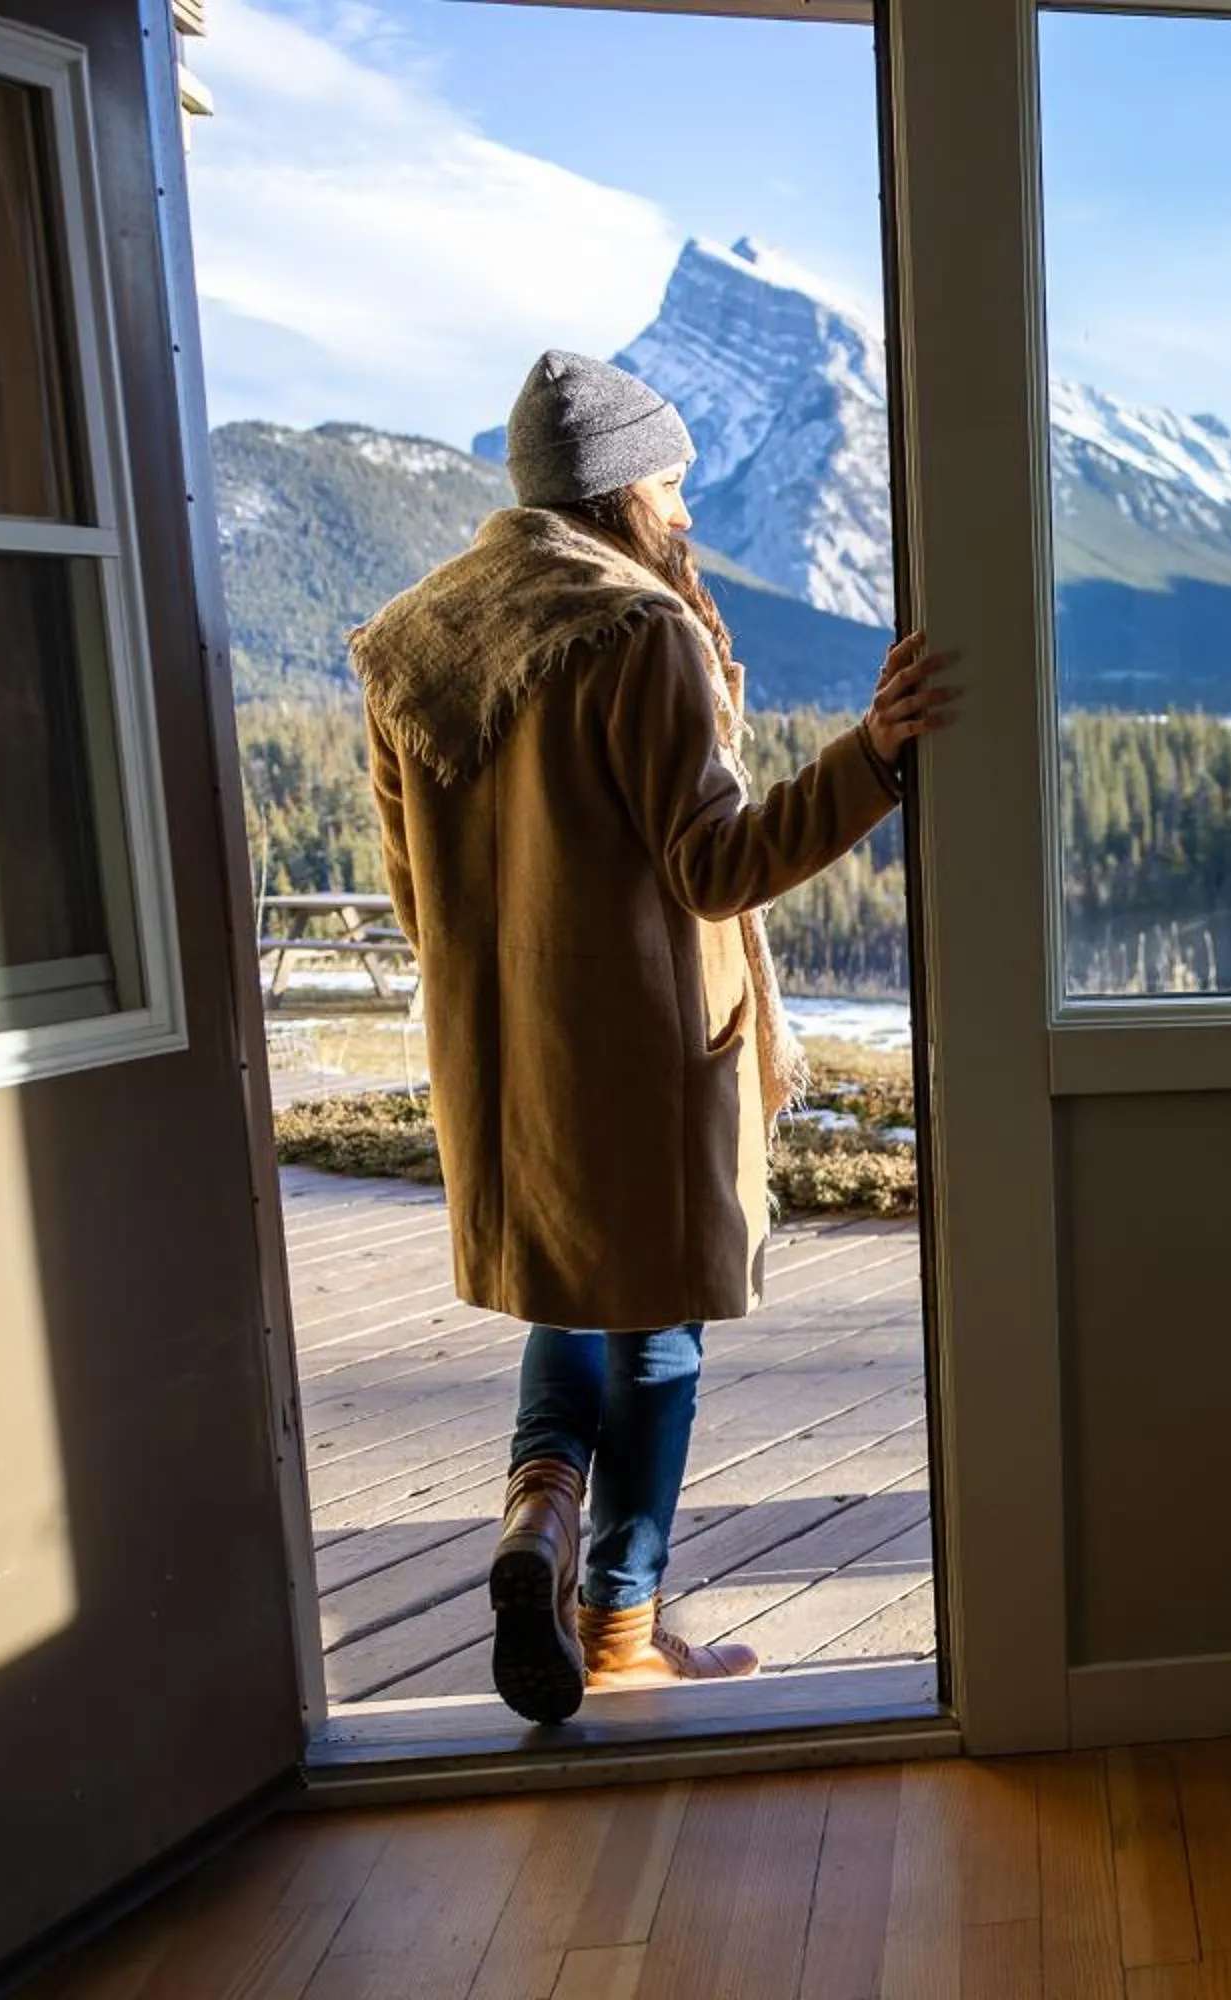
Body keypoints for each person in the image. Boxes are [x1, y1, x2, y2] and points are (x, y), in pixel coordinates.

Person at [350, 350, 956, 1724]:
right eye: (673, 483)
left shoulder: (414, 645)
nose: (684, 512)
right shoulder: (639, 632)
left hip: (503, 1059)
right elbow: (714, 867)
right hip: (634, 1058)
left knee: (567, 1304)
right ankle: (621, 1624)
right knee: (657, 1335)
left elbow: (414, 897)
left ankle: (535, 1532)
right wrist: (875, 756)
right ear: (621, 488)